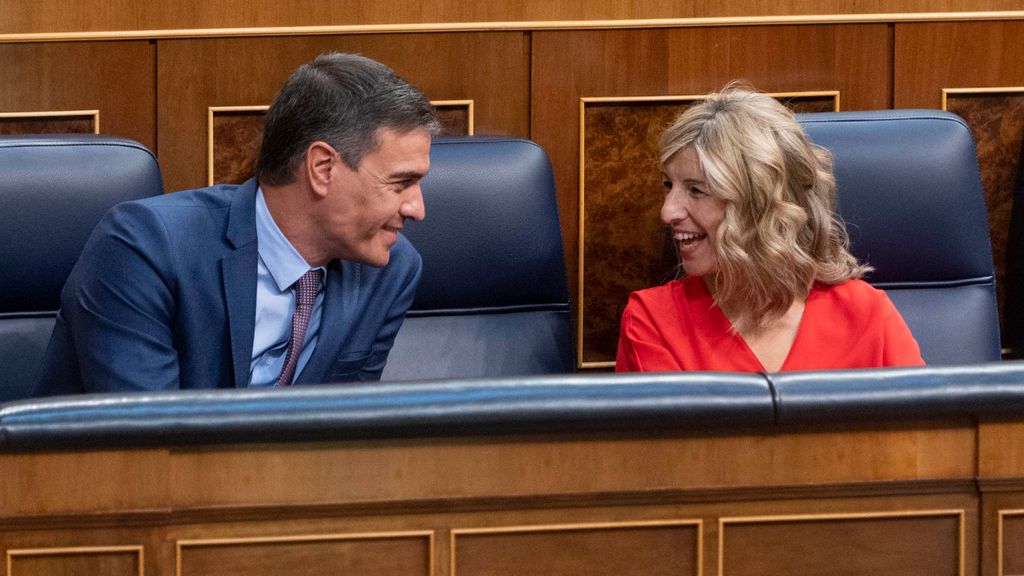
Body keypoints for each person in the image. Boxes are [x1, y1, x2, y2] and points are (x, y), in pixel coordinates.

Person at [36, 52, 440, 393]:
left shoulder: (392, 270)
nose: (417, 209)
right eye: (401, 183)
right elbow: (146, 449)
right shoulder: (144, 249)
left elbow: (348, 434)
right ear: (322, 168)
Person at [615, 85, 925, 373]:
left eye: (697, 190)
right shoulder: (653, 320)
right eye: (669, 185)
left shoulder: (863, 312)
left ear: (761, 205)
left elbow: (928, 429)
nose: (667, 212)